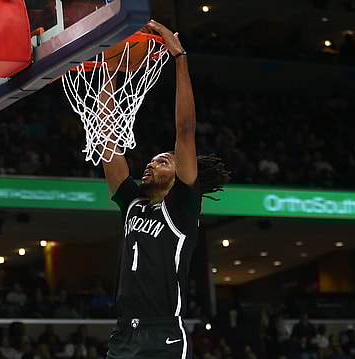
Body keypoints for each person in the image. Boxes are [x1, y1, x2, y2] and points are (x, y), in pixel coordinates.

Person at [100, 20, 230, 359]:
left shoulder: (183, 207)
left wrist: (180, 58)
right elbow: (107, 141)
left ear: (180, 173)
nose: (151, 164)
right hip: (123, 332)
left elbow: (185, 130)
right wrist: (106, 70)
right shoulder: (132, 201)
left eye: (163, 161)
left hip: (162, 333)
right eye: (153, 160)